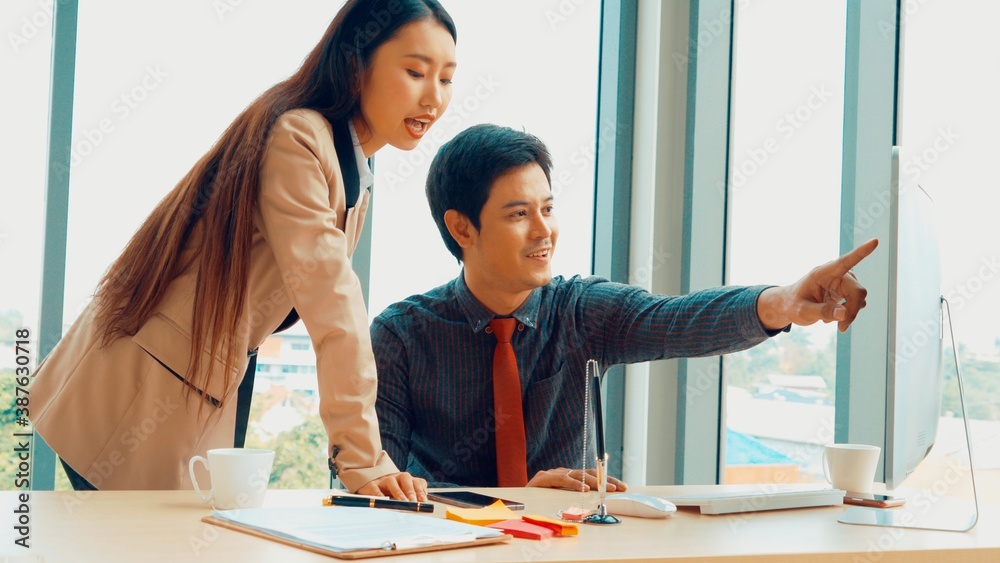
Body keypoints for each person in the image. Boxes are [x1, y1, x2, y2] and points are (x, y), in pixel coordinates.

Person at [28, 0, 456, 501]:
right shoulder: (299, 139)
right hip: (137, 390)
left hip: (196, 387)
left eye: (447, 79)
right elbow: (334, 305)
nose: (433, 98)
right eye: (415, 71)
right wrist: (362, 459)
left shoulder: (349, 166)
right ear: (355, 65)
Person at [372, 123, 879, 491]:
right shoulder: (400, 336)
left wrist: (786, 301)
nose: (543, 230)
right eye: (519, 214)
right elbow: (374, 490)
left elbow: (678, 320)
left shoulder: (579, 311)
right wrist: (510, 501)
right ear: (463, 228)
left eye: (547, 209)